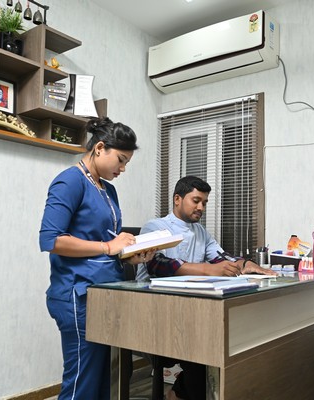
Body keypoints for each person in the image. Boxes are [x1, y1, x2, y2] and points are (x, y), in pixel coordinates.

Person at [39, 117, 155, 400]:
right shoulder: (70, 181)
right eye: (121, 160)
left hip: (105, 294)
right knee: (82, 384)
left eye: (127, 163)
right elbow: (51, 240)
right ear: (100, 148)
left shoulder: (108, 189)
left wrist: (129, 257)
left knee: (105, 382)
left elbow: (108, 244)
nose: (123, 169)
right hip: (77, 296)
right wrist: (108, 247)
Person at [138, 175, 276, 400]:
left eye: (204, 203)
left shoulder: (201, 232)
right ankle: (180, 393)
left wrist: (245, 264)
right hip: (154, 311)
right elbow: (158, 265)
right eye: (196, 201)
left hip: (188, 311)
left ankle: (179, 392)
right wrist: (208, 269)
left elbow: (221, 258)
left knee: (222, 341)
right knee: (205, 345)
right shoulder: (155, 227)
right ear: (177, 199)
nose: (201, 207)